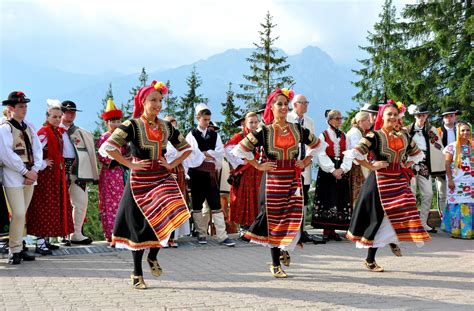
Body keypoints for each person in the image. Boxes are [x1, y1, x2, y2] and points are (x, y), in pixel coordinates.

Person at [99, 80, 193, 289]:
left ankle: (153, 255)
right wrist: (129, 163)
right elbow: (109, 147)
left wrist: (172, 164)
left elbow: (186, 148)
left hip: (161, 176)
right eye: (153, 100)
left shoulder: (166, 126)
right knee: (140, 227)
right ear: (143, 102)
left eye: (160, 100)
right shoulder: (131, 125)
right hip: (140, 180)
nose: (158, 104)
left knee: (173, 212)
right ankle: (136, 272)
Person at [232, 88, 326, 278]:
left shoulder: (297, 129)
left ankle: (284, 248)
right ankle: (275, 263)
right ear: (271, 107)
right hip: (273, 180)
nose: (283, 107)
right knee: (273, 220)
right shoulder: (264, 131)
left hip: (292, 178)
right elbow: (240, 149)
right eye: (279, 104)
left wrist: (306, 161)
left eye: (285, 104)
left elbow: (318, 145)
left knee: (293, 216)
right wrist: (257, 166)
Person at [344, 100, 430, 272]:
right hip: (380, 182)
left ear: (398, 117)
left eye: (395, 114)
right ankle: (370, 259)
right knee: (379, 219)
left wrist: (405, 165)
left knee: (406, 208)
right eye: (389, 114)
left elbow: (416, 154)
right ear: (382, 116)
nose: (392, 117)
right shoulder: (373, 136)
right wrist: (371, 166)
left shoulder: (404, 136)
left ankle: (394, 239)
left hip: (398, 180)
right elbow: (356, 153)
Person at [184, 104, 236, 247]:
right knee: (197, 204)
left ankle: (222, 236)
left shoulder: (214, 135)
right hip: (196, 174)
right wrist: (207, 155)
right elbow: (192, 153)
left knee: (216, 204)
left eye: (208, 119)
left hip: (210, 175)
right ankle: (201, 233)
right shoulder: (191, 135)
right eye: (204, 119)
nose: (207, 122)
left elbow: (219, 152)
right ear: (198, 118)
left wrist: (206, 154)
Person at [0, 91, 42, 264]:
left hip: (30, 175)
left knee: (22, 213)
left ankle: (18, 248)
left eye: (25, 106)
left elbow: (38, 149)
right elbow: (6, 154)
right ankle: (13, 249)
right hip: (14, 175)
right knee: (17, 212)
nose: (24, 109)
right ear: (11, 108)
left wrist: (35, 170)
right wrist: (26, 172)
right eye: (20, 106)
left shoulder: (29, 127)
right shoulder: (5, 128)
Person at [27, 100, 74, 255]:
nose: (58, 119)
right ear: (47, 116)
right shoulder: (43, 133)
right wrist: (44, 163)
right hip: (44, 177)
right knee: (42, 207)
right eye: (54, 116)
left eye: (59, 117)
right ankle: (40, 242)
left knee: (51, 207)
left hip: (54, 177)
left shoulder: (55, 132)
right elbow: (34, 152)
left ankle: (46, 240)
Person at [60, 100, 99, 245]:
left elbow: (89, 153)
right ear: (62, 113)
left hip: (78, 171)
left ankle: (76, 233)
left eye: (73, 112)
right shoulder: (54, 130)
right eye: (68, 112)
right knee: (61, 203)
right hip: (60, 170)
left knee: (81, 202)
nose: (71, 115)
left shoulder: (81, 133)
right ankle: (62, 235)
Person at [287, 95, 323, 244]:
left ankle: (302, 230)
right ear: (295, 105)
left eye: (307, 102)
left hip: (304, 165)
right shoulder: (287, 118)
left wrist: (307, 160)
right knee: (290, 198)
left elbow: (312, 144)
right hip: (290, 165)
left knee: (304, 197)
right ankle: (290, 230)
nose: (306, 105)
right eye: (303, 103)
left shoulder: (309, 122)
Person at [312, 110, 353, 241]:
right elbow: (321, 153)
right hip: (327, 171)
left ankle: (333, 230)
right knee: (327, 198)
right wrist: (332, 170)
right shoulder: (323, 135)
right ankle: (326, 229)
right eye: (337, 118)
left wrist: (342, 169)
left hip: (340, 169)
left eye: (341, 118)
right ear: (330, 121)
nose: (340, 121)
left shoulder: (345, 136)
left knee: (339, 198)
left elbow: (348, 153)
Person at [406, 104, 445, 233]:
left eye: (423, 115)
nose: (421, 118)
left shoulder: (432, 130)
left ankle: (423, 222)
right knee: (410, 194)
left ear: (427, 116)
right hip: (409, 164)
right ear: (414, 116)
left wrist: (439, 165)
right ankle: (411, 223)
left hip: (424, 165)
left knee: (428, 193)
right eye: (418, 115)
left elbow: (438, 148)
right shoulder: (406, 130)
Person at [225, 112, 263, 237]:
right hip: (246, 172)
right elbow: (228, 149)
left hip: (258, 172)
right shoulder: (240, 136)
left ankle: (256, 227)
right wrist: (242, 161)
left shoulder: (260, 135)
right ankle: (244, 228)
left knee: (257, 198)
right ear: (245, 123)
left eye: (255, 122)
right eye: (251, 122)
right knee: (245, 199)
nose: (253, 124)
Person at [96, 99, 126, 242]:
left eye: (118, 121)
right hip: (109, 173)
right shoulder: (105, 138)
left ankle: (121, 232)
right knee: (109, 203)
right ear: (107, 123)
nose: (115, 124)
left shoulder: (121, 137)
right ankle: (111, 234)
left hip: (120, 173)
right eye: (112, 121)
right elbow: (103, 156)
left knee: (120, 202)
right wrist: (120, 159)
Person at [441, 122, 473, 239]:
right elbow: (447, 163)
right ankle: (458, 232)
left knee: (470, 205)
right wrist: (450, 179)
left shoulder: (473, 145)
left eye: (468, 130)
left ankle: (470, 232)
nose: (466, 133)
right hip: (457, 182)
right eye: (463, 130)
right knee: (457, 206)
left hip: (471, 182)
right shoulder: (452, 146)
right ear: (458, 132)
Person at [436, 107, 460, 220]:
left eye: (451, 115)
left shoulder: (460, 130)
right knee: (442, 194)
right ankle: (443, 219)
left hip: (457, 166)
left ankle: (456, 218)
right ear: (443, 118)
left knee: (457, 192)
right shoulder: (437, 131)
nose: (449, 118)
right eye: (446, 116)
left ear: (455, 117)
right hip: (441, 165)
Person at [346, 111, 371, 206]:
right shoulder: (354, 133)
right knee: (357, 196)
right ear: (360, 121)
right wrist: (369, 166)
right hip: (356, 168)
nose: (370, 122)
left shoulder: (359, 132)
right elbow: (356, 154)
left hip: (361, 166)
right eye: (368, 120)